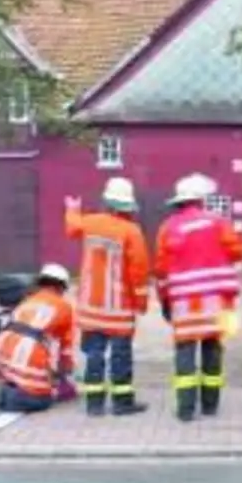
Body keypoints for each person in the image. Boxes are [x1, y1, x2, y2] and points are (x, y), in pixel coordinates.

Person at [154, 174, 242, 421]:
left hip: (184, 302)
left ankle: (185, 409)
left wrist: (164, 300)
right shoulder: (218, 223)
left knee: (185, 351)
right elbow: (238, 252)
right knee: (213, 348)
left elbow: (161, 269)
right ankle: (210, 405)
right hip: (218, 301)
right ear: (200, 200)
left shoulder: (168, 227)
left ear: (180, 201)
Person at [64, 177, 151, 416]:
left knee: (94, 354)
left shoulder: (90, 223)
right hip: (119, 308)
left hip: (90, 305)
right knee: (120, 355)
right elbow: (139, 271)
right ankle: (122, 402)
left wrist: (72, 208)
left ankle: (94, 404)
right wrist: (141, 303)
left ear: (107, 202)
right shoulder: (131, 231)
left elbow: (72, 227)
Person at [0, 264, 78, 422]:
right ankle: (10, 399)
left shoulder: (27, 301)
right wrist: (64, 371)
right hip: (26, 350)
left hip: (1, 346)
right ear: (61, 286)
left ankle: (9, 389)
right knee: (42, 399)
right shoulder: (63, 307)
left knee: (22, 379)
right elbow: (64, 346)